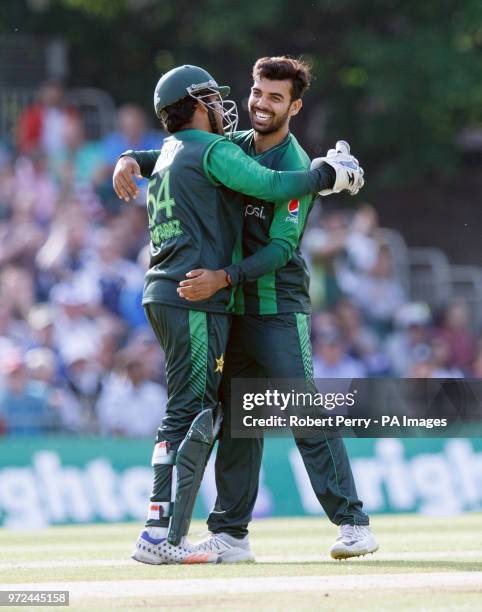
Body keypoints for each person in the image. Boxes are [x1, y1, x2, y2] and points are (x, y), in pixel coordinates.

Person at [121, 58, 375, 562]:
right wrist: (130, 158)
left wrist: (226, 277)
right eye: (258, 92)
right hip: (231, 305)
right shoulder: (231, 145)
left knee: (302, 410)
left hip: (276, 306)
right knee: (239, 420)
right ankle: (233, 534)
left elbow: (283, 249)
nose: (260, 103)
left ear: (294, 106)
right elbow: (179, 152)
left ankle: (353, 523)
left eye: (274, 98)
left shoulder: (294, 164)